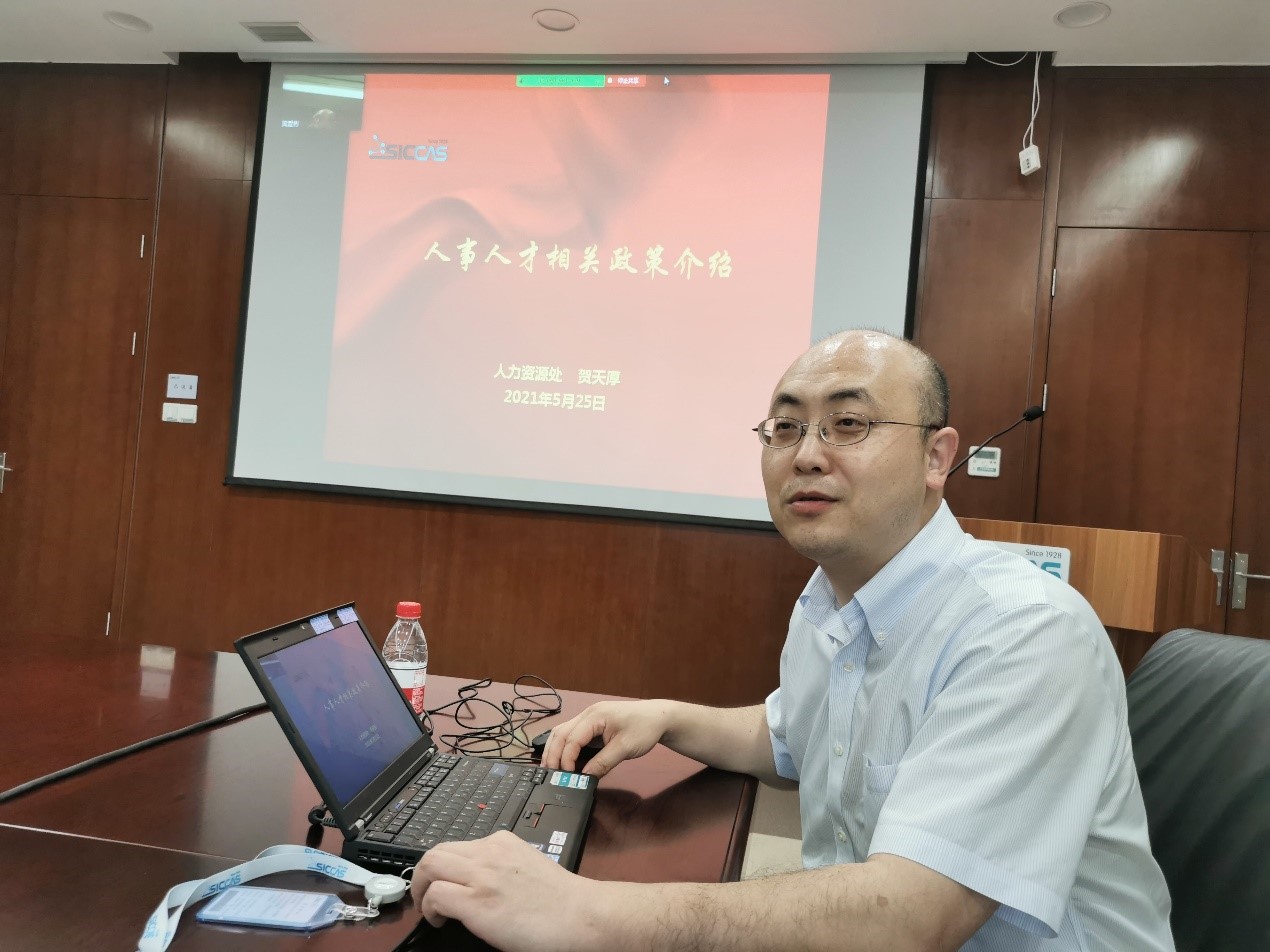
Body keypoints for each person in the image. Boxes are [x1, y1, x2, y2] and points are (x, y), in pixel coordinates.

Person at [410, 329, 1174, 951]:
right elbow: (792, 735)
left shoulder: (1023, 633)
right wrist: (665, 717)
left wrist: (587, 912)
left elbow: (911, 920)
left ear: (937, 458)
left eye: (850, 424)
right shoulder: (828, 597)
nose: (807, 453)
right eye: (785, 427)